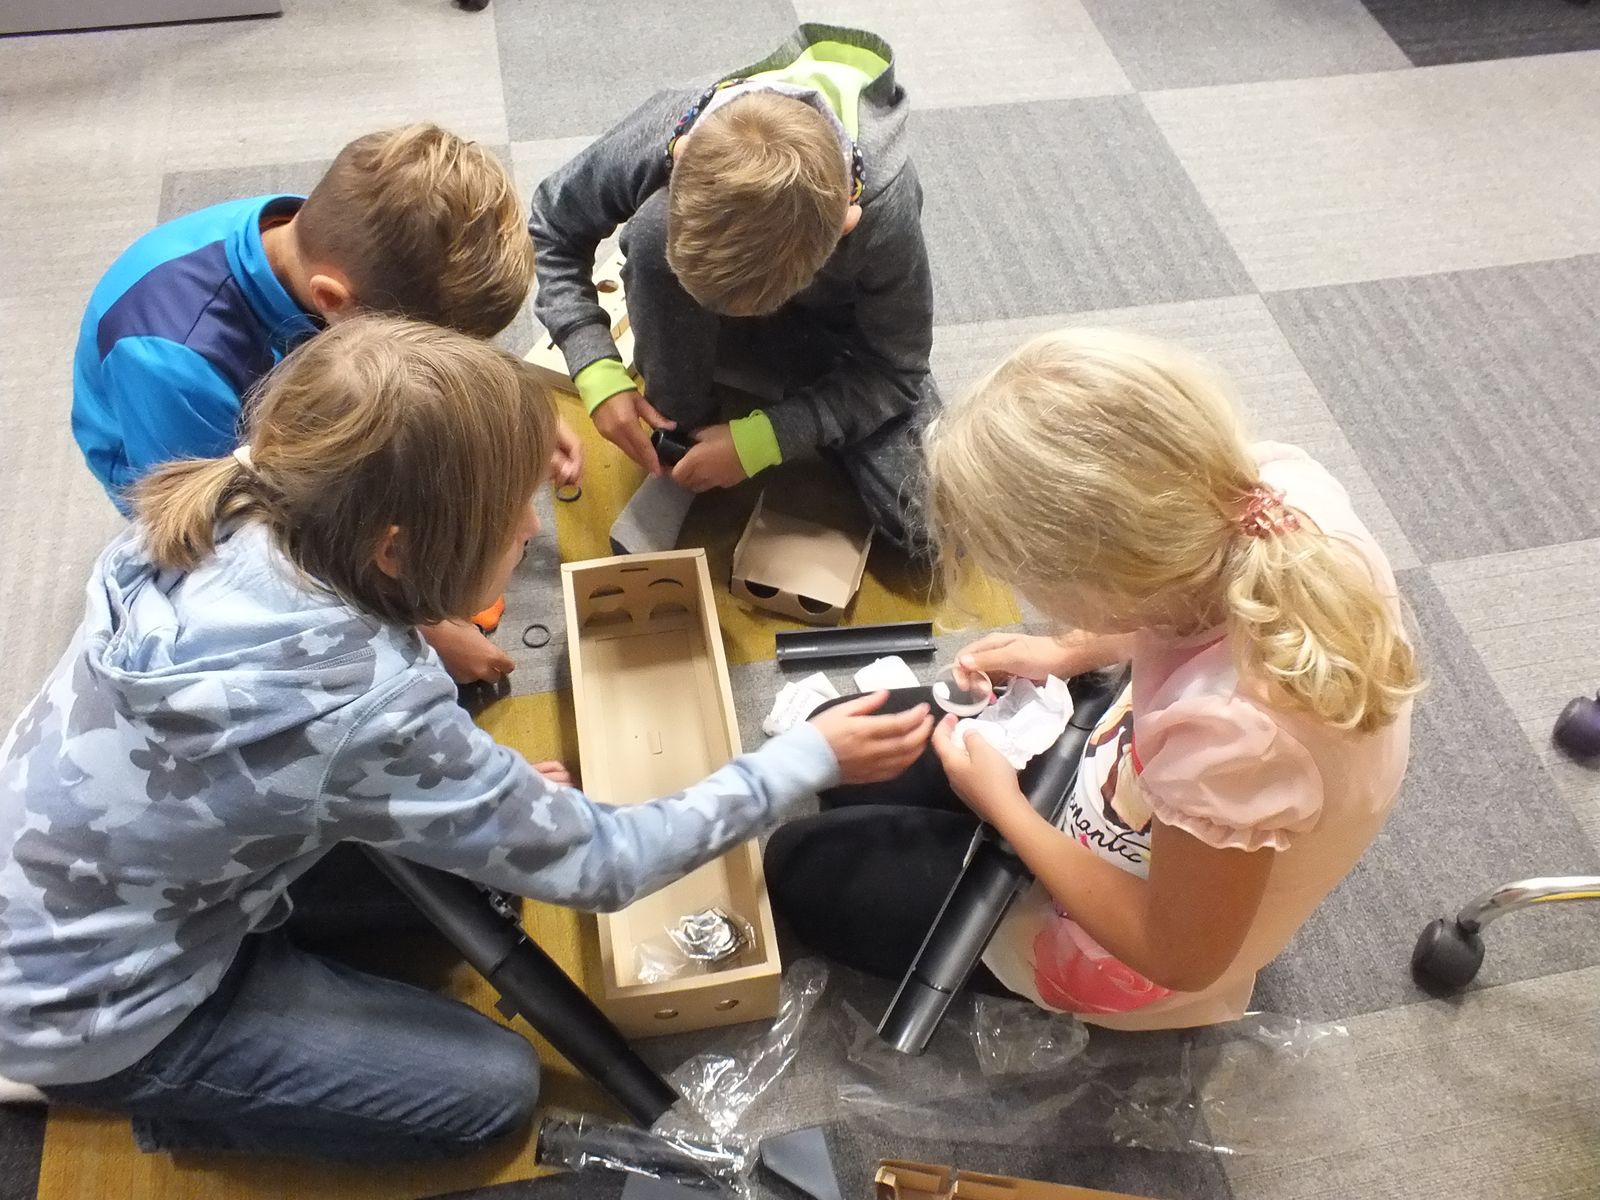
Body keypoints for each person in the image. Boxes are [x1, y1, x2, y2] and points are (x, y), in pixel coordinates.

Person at [0, 317, 933, 1161]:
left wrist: (440, 776)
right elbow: (606, 863)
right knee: (492, 1092)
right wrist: (805, 758)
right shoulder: (364, 704)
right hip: (92, 1013)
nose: (532, 528)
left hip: (93, 886)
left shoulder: (252, 488)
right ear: (396, 550)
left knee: (482, 876)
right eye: (509, 516)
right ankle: (167, 1097)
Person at [765, 328, 1421, 1029]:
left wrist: (1006, 811)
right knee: (837, 745)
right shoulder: (1270, 496)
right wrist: (1067, 652)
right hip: (1142, 780)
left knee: (799, 865)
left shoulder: (1234, 740)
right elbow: (1181, 594)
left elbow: (1179, 957)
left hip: (1138, 947)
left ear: (1109, 580)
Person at [70, 122, 574, 683]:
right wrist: (429, 634)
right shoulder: (177, 368)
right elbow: (246, 530)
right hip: (192, 465)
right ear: (333, 301)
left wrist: (499, 416)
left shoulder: (340, 242)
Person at [529, 25, 937, 552]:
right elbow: (553, 225)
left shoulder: (883, 209)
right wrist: (595, 367)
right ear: (681, 155)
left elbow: (897, 369)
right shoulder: (669, 129)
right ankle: (681, 437)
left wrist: (764, 439)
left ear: (846, 223)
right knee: (651, 237)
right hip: (704, 316)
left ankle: (777, 395)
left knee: (922, 525)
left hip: (832, 335)